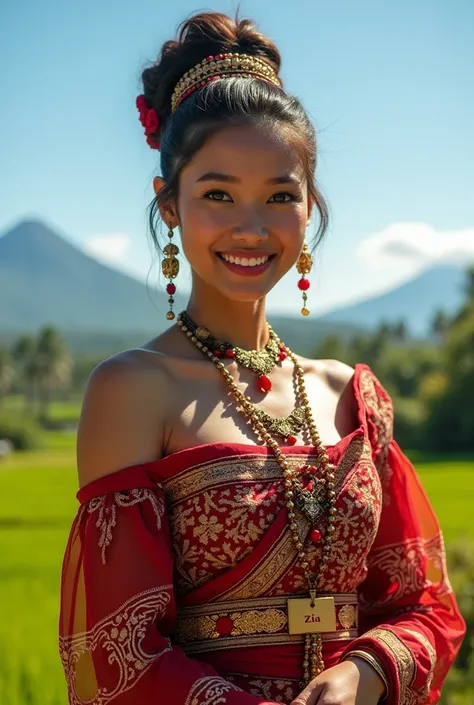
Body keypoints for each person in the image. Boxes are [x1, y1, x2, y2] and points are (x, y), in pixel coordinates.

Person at [58, 12, 465, 705]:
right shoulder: (132, 388)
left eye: (280, 196)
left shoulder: (352, 397)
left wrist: (366, 670)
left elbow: (426, 605)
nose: (251, 227)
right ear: (170, 205)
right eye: (218, 194)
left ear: (310, 209)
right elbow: (120, 648)